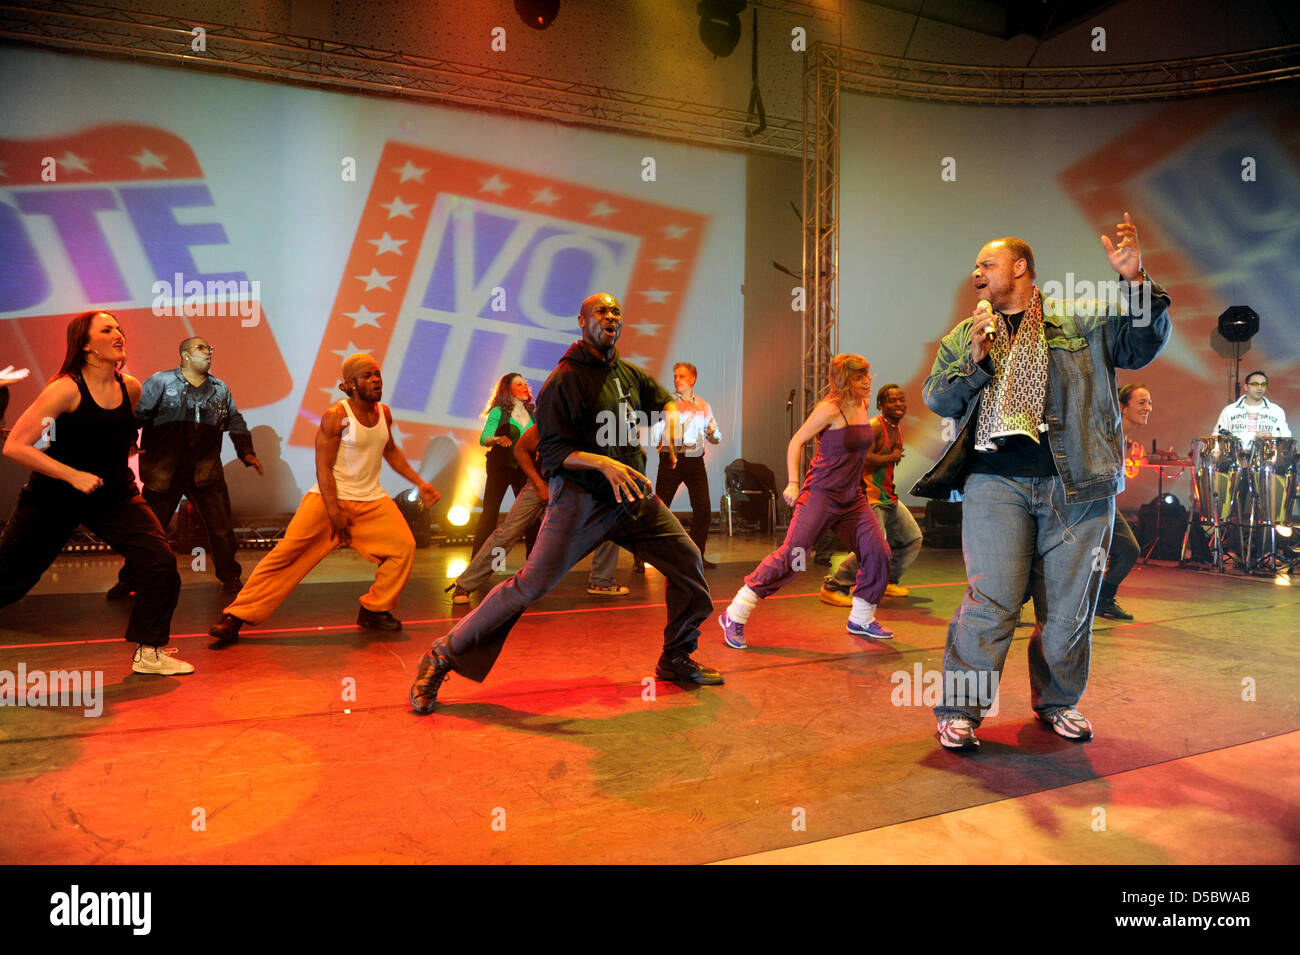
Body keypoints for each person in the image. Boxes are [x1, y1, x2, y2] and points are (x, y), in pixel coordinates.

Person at [912, 214, 1171, 751]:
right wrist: (975, 364)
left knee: (1069, 607)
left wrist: (1136, 280)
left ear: (1020, 266)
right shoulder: (967, 333)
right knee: (992, 601)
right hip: (994, 483)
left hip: (1075, 485)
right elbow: (939, 398)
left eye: (986, 263)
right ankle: (960, 709)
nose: (977, 272)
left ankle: (1057, 702)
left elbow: (1141, 345)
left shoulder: (1082, 322)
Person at [409, 292, 724, 714]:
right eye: (601, 311)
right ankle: (441, 656)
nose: (610, 316)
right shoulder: (565, 379)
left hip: (631, 498)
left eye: (616, 312)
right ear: (582, 321)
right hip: (581, 501)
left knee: (688, 562)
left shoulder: (627, 375)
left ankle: (675, 657)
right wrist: (602, 464)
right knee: (528, 586)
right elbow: (553, 453)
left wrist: (669, 415)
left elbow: (661, 397)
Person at [0, 311, 189, 675]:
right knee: (10, 580)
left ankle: (149, 651)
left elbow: (110, 432)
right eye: (107, 330)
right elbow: (17, 447)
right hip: (54, 497)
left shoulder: (130, 387)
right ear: (86, 346)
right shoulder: (65, 390)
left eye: (119, 327)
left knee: (159, 562)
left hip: (113, 494)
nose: (119, 333)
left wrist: (127, 448)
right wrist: (73, 475)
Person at [207, 353, 439, 640]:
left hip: (371, 500)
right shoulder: (337, 416)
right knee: (286, 556)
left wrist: (421, 483)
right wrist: (334, 510)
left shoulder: (384, 413)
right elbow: (323, 466)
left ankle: (375, 610)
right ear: (350, 384)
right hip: (328, 500)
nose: (376, 379)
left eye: (377, 373)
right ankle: (236, 616)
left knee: (403, 547)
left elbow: (390, 452)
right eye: (367, 375)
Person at [719, 353, 893, 648]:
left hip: (852, 499)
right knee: (793, 556)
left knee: (878, 552)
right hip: (821, 495)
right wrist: (793, 482)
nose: (868, 381)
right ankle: (735, 613)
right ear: (844, 381)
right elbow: (796, 442)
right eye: (859, 377)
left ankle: (861, 618)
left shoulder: (863, 405)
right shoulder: (829, 410)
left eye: (868, 374)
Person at [107, 337, 262, 598]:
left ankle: (230, 577)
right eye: (201, 348)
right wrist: (129, 441)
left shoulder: (219, 388)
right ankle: (129, 579)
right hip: (163, 473)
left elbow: (234, 420)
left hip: (206, 472)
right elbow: (134, 416)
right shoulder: (160, 382)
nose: (209, 353)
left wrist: (246, 452)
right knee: (149, 530)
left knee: (221, 528)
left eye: (209, 349)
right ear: (185, 355)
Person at [446, 423, 629, 603]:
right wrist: (540, 485)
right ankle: (464, 584)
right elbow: (520, 450)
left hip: (576, 486)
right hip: (541, 483)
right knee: (507, 533)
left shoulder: (596, 423)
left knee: (609, 520)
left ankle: (601, 582)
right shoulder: (552, 419)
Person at [819, 383, 923, 605]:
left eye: (901, 399)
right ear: (880, 405)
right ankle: (836, 584)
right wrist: (889, 458)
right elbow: (861, 457)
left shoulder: (896, 427)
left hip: (888, 497)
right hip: (871, 497)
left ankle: (887, 580)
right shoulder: (875, 426)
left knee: (912, 538)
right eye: (892, 401)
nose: (898, 404)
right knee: (873, 545)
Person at [652, 362, 721, 567]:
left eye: (681, 376)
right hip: (671, 459)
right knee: (658, 509)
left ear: (692, 379)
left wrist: (712, 433)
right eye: (675, 376)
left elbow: (716, 436)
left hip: (695, 458)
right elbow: (656, 432)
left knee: (703, 509)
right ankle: (646, 556)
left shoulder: (703, 405)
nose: (677, 379)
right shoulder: (666, 403)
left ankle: (696, 556)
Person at [1095, 384, 1151, 621]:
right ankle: (1021, 599)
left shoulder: (1125, 439)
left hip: (1106, 501)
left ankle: (1103, 600)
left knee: (1128, 549)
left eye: (1149, 403)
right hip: (1090, 501)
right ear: (1123, 407)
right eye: (1141, 403)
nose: (1148, 408)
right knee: (1089, 558)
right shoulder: (1106, 433)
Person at [470, 373, 536, 559]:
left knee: (531, 515)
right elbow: (484, 438)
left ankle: (533, 564)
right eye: (518, 384)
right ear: (507, 389)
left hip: (524, 468)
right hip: (501, 467)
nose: (525, 387)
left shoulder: (531, 412)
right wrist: (498, 439)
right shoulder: (498, 411)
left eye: (525, 383)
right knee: (490, 514)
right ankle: (476, 562)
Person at [1215, 371, 1290, 452]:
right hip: (1235, 461)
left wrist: (1272, 439)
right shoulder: (1230, 410)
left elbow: (1287, 441)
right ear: (1246, 387)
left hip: (1266, 460)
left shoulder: (1276, 411)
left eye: (1263, 385)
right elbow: (1216, 437)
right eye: (1255, 384)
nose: (1259, 388)